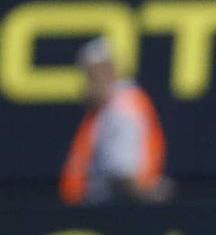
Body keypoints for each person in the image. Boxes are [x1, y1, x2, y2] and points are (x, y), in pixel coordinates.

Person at [59, 38, 171, 206]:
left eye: (89, 77)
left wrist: (148, 199)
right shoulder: (113, 106)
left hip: (107, 212)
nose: (84, 87)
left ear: (105, 72)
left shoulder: (119, 110)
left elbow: (122, 174)